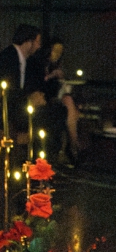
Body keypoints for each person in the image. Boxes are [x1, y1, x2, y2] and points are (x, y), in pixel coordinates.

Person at [30, 36, 80, 165]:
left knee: (69, 101)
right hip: (41, 99)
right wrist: (52, 76)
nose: (57, 55)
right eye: (55, 51)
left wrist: (60, 82)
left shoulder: (54, 66)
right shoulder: (37, 64)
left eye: (60, 52)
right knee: (68, 105)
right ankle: (73, 145)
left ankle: (73, 143)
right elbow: (39, 85)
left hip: (53, 99)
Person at [0, 24, 44, 123]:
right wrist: (29, 99)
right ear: (28, 42)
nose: (39, 46)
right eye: (37, 42)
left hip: (16, 105)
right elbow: (8, 90)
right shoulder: (7, 59)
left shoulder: (27, 61)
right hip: (3, 107)